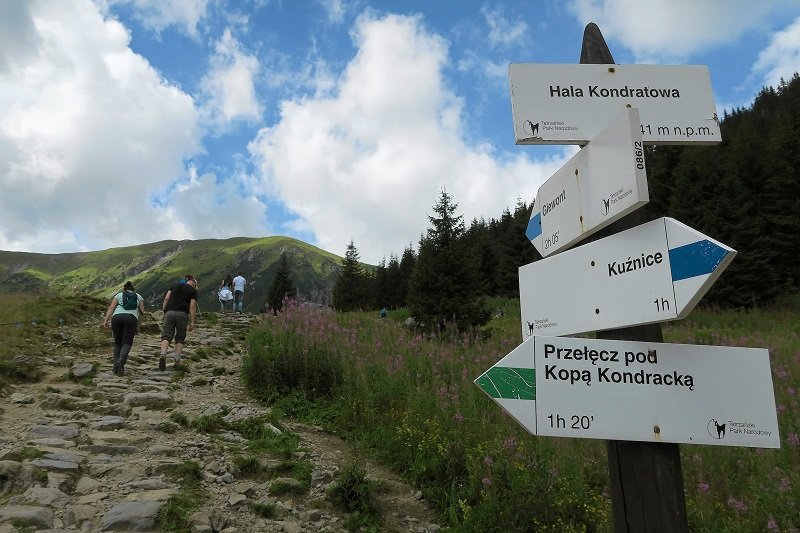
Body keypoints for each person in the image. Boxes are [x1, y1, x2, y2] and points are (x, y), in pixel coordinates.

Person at [102, 281, 145, 376]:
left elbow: (111, 308)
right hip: (131, 318)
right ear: (133, 290)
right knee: (127, 342)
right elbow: (141, 313)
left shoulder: (119, 295)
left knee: (117, 343)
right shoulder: (138, 296)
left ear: (124, 289)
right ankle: (121, 360)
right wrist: (138, 326)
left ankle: (115, 367)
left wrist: (106, 320)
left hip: (117, 317)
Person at [159, 274, 198, 370]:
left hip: (169, 312)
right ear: (193, 283)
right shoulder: (193, 291)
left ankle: (163, 354)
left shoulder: (175, 285)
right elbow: (192, 306)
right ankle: (176, 360)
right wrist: (192, 322)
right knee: (180, 336)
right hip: (182, 314)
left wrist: (164, 311)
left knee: (166, 335)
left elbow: (166, 298)